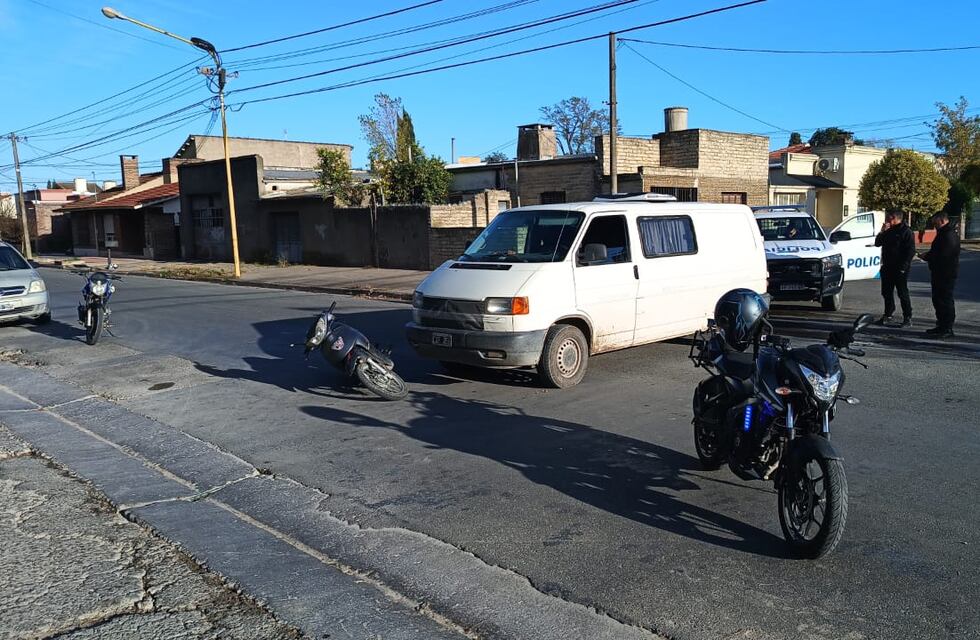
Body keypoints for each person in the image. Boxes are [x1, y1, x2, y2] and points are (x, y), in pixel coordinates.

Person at [920, 212, 961, 338]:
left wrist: (928, 256)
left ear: (942, 220)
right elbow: (938, 251)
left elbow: (944, 255)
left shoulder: (948, 235)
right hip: (939, 272)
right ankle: (941, 325)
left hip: (946, 273)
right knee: (938, 299)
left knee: (945, 300)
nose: (934, 224)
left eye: (935, 222)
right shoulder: (944, 233)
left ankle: (947, 328)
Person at [874, 210, 915, 327]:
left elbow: (910, 251)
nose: (888, 221)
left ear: (897, 218)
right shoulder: (888, 230)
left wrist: (904, 267)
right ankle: (888, 314)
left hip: (900, 268)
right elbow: (877, 243)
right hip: (887, 266)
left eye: (890, 218)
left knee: (902, 293)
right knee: (886, 292)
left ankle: (907, 317)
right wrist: (882, 231)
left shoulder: (906, 231)